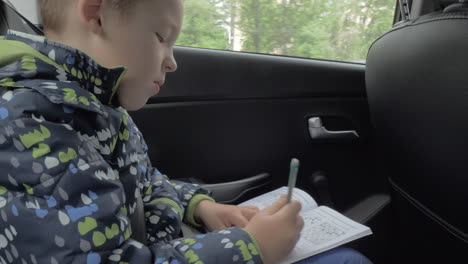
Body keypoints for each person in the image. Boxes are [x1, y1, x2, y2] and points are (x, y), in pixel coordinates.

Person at [0, 0, 372, 263]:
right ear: (96, 13)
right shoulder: (33, 123)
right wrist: (249, 248)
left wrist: (200, 206)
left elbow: (142, 184)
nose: (172, 60)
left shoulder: (99, 105)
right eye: (162, 36)